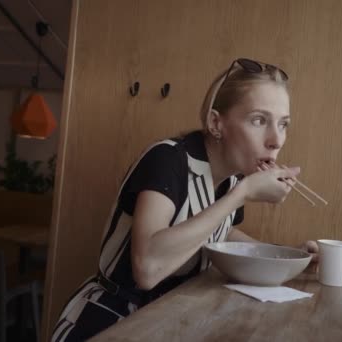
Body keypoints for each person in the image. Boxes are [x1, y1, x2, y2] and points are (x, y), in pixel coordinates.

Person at [52, 58, 318, 341]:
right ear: (216, 123)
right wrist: (240, 195)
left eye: (284, 124)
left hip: (168, 318)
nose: (276, 140)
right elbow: (147, 267)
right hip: (111, 322)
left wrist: (289, 256)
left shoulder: (234, 176)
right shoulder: (168, 159)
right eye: (259, 120)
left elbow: (221, 234)